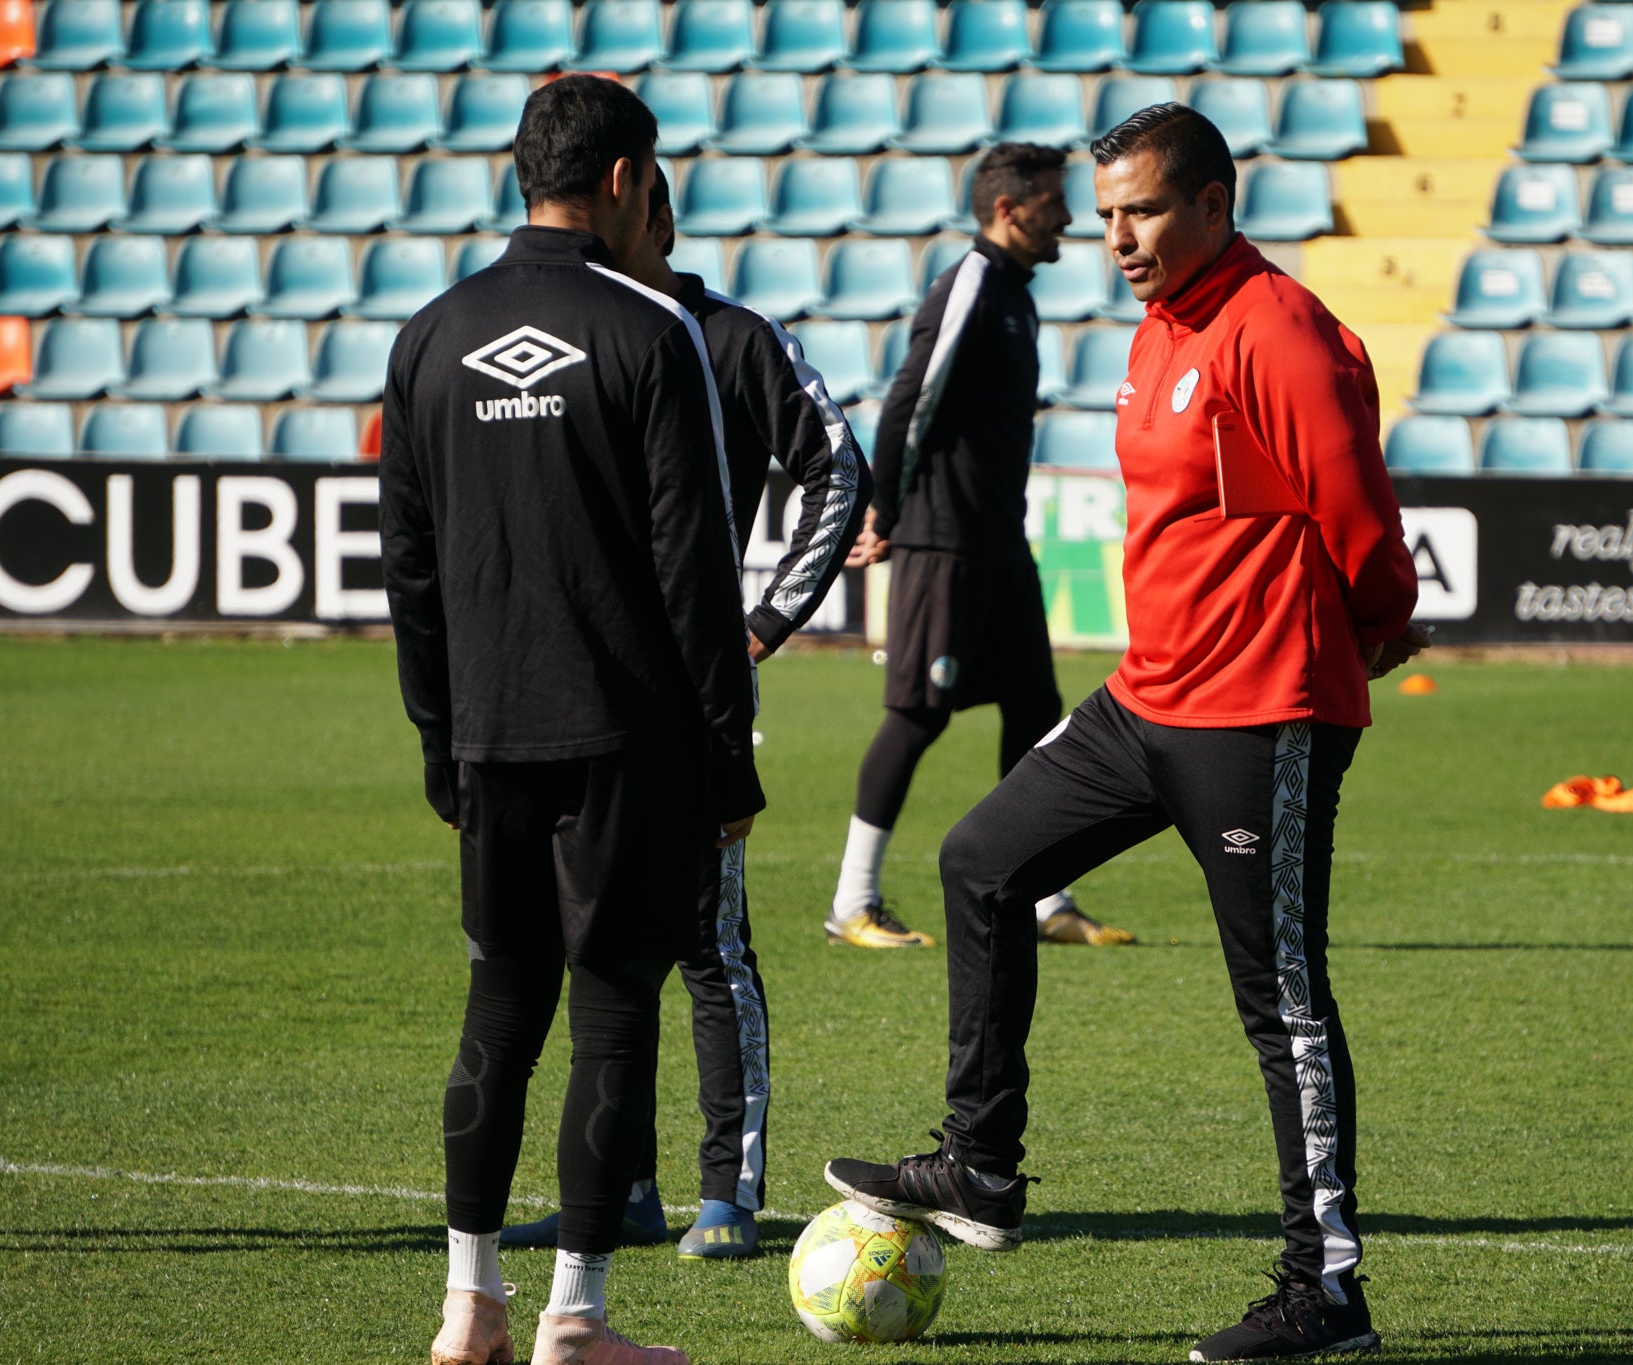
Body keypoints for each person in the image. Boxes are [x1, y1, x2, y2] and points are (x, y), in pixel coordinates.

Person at [822, 103, 1430, 1363]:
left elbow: (1361, 519)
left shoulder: (1279, 331)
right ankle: (981, 1166)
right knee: (979, 862)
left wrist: (1374, 628)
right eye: (1104, 216)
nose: (1117, 237)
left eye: (1142, 210)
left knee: (1283, 1005)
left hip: (1258, 714)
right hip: (1143, 700)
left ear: (1214, 203)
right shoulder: (1158, 330)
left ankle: (1325, 1288)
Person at [380, 75, 762, 1365]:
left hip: (488, 733)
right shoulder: (652, 335)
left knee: (496, 1008)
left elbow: (410, 566)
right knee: (610, 1015)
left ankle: (465, 1309)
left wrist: (440, 738)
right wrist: (726, 752)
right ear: (622, 180)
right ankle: (578, 1325)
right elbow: (693, 572)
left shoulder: (430, 336)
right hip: (624, 741)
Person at [503, 178, 873, 1260]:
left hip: (696, 696)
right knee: (595, 945)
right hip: (573, 694)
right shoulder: (565, 342)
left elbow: (837, 470)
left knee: (709, 942)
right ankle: (619, 1189)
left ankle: (730, 1192)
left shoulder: (735, 340)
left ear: (652, 223)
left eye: (605, 225)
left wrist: (759, 624)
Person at [827, 140, 1136, 951]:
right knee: (917, 716)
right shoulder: (968, 283)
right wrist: (887, 512)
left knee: (1038, 716)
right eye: (1055, 201)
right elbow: (907, 402)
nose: (1071, 216)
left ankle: (1043, 897)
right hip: (944, 543)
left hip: (1000, 544)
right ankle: (852, 900)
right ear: (1009, 208)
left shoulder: (1016, 293)